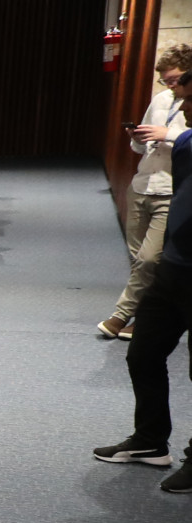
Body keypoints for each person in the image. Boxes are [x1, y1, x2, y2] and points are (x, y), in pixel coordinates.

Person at [94, 110, 192, 492]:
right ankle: (151, 440)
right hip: (175, 267)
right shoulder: (184, 143)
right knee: (144, 352)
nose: (183, 108)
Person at [101, 48, 190, 340]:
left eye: (175, 80)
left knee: (150, 259)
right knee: (138, 259)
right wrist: (137, 138)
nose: (170, 87)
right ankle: (147, 317)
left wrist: (169, 135)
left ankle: (121, 314)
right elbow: (139, 149)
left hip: (170, 190)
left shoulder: (189, 105)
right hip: (142, 184)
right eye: (165, 81)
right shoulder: (161, 100)